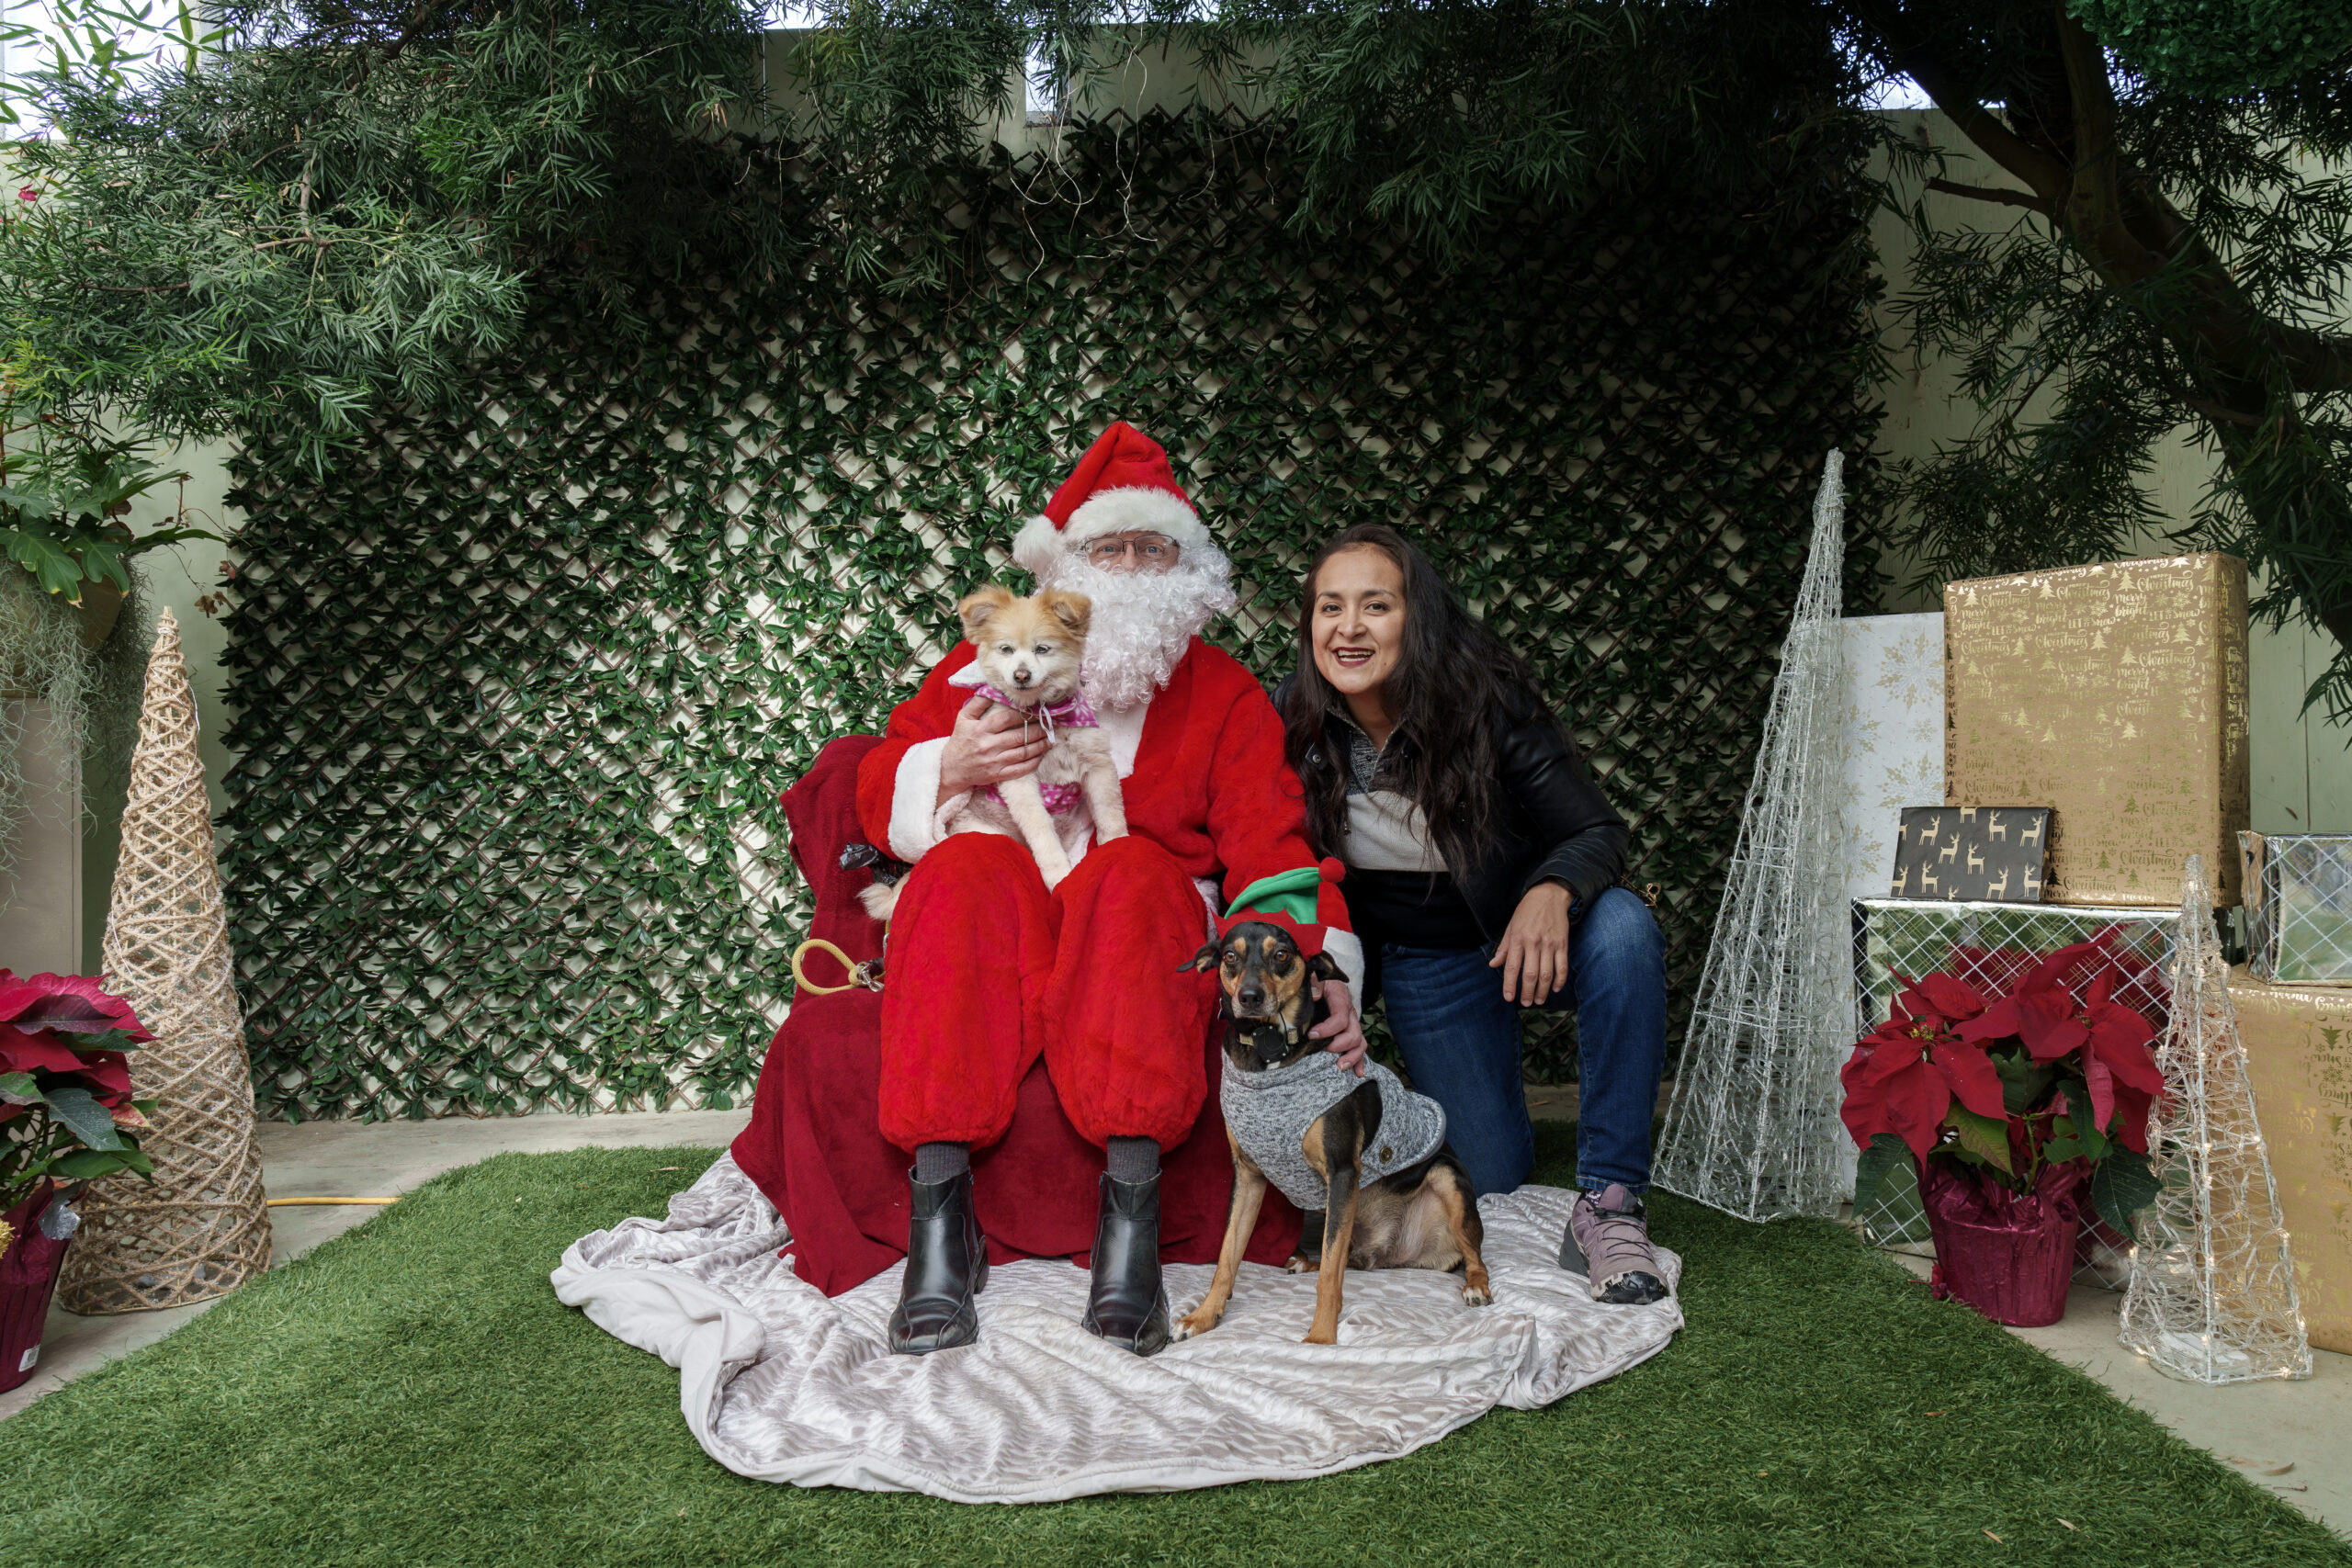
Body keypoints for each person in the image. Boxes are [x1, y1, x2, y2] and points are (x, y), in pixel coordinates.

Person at [850, 422, 1363, 1356]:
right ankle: (941, 1234)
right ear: (1066, 567)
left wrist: (1322, 967)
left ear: (1184, 568)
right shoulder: (988, 665)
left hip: (1135, 927)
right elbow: (880, 776)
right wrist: (951, 766)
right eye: (1107, 548)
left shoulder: (1223, 693)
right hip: (1004, 911)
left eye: (1150, 549)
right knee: (959, 868)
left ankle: (1130, 1234)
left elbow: (1270, 845)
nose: (1128, 569)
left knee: (1130, 870)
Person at [1275, 524, 1671, 1304]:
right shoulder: (1294, 719)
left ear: (1415, 617)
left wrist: (1550, 890)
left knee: (1626, 927)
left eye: (1376, 605)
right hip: (1428, 962)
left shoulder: (1487, 700)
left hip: (1532, 935)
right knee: (1490, 1174)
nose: (1349, 627)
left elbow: (1597, 829)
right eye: (1330, 606)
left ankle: (1613, 1202)